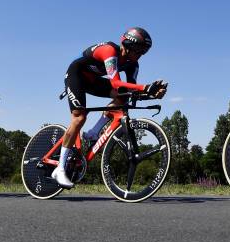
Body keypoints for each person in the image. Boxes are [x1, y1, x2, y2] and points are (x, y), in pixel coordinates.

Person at [54, 27, 168, 188]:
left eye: (144, 52)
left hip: (93, 80)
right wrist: (145, 87)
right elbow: (115, 83)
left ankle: (94, 132)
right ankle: (59, 169)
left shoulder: (133, 65)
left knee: (123, 97)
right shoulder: (109, 51)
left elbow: (129, 90)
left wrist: (151, 93)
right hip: (76, 75)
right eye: (139, 50)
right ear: (127, 45)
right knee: (79, 117)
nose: (140, 55)